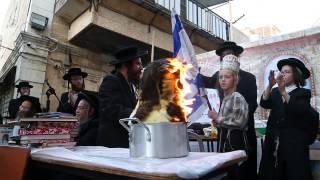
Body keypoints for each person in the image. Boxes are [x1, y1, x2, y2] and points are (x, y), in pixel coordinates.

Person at [200, 41, 258, 179]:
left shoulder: (248, 79)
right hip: (224, 133)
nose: (223, 80)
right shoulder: (220, 77)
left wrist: (226, 119)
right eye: (221, 77)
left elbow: (250, 107)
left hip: (241, 135)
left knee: (242, 171)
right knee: (227, 170)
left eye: (230, 55)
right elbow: (207, 82)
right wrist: (194, 73)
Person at [259, 58, 312, 180]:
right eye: (281, 71)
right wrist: (270, 85)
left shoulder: (303, 93)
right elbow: (264, 103)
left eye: (287, 72)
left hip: (293, 141)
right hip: (274, 138)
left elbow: (298, 109)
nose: (282, 74)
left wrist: (283, 91)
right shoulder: (275, 91)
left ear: (296, 75)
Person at [208, 54, 249, 179]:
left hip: (235, 146)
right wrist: (218, 122)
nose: (223, 80)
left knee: (234, 176)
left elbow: (240, 122)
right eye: (220, 77)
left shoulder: (237, 97)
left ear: (235, 79)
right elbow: (227, 122)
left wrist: (218, 117)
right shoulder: (226, 98)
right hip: (225, 146)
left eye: (227, 77)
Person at [97, 46, 146, 147]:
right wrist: (139, 114)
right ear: (125, 65)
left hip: (126, 144)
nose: (141, 68)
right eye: (137, 63)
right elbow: (110, 109)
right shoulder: (111, 80)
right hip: (112, 145)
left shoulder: (131, 85)